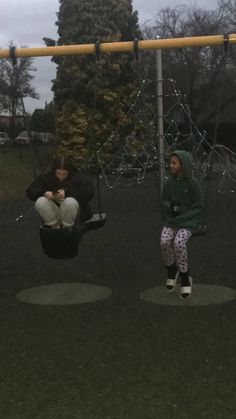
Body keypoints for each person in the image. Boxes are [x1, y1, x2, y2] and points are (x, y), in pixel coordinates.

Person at [160, 150, 203, 299]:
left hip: (188, 222)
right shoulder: (169, 183)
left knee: (179, 242)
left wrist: (187, 218)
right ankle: (172, 269)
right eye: (170, 162)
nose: (170, 165)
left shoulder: (193, 184)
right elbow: (164, 201)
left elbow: (198, 206)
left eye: (174, 163)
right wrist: (169, 211)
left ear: (183, 165)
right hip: (173, 220)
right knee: (165, 241)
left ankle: (185, 276)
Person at [26, 156, 95, 229]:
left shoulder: (77, 177)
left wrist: (67, 193)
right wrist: (44, 193)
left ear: (69, 172)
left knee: (69, 202)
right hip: (53, 211)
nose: (61, 177)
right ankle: (54, 227)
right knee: (40, 202)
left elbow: (89, 192)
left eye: (64, 174)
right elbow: (30, 191)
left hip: (72, 212)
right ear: (54, 171)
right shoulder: (47, 176)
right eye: (58, 173)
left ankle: (68, 228)